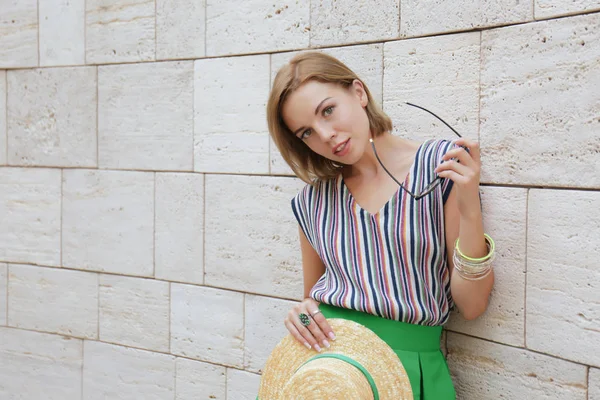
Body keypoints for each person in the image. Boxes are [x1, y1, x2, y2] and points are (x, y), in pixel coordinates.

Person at [266, 52, 495, 399]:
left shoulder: (441, 167)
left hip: (409, 371)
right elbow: (310, 302)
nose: (326, 135)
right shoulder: (312, 202)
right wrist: (302, 315)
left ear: (358, 92)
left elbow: (472, 305)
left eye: (328, 110)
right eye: (307, 132)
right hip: (326, 377)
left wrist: (470, 210)